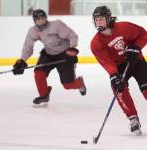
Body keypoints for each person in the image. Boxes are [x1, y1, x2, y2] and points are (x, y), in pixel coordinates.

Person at [91, 5, 147, 135]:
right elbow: (106, 61)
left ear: (108, 18)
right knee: (117, 88)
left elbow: (143, 34)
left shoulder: (124, 27)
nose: (98, 22)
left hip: (136, 61)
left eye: (101, 19)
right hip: (118, 66)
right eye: (96, 20)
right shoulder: (96, 43)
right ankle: (133, 119)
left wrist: (136, 47)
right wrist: (114, 75)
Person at [12, 9, 86, 105]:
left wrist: (72, 48)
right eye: (38, 19)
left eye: (42, 18)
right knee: (38, 72)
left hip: (65, 54)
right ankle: (44, 95)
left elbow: (72, 35)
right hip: (48, 54)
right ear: (34, 20)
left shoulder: (56, 25)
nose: (41, 21)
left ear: (45, 18)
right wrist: (22, 60)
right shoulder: (33, 31)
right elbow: (28, 47)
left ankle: (80, 83)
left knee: (68, 85)